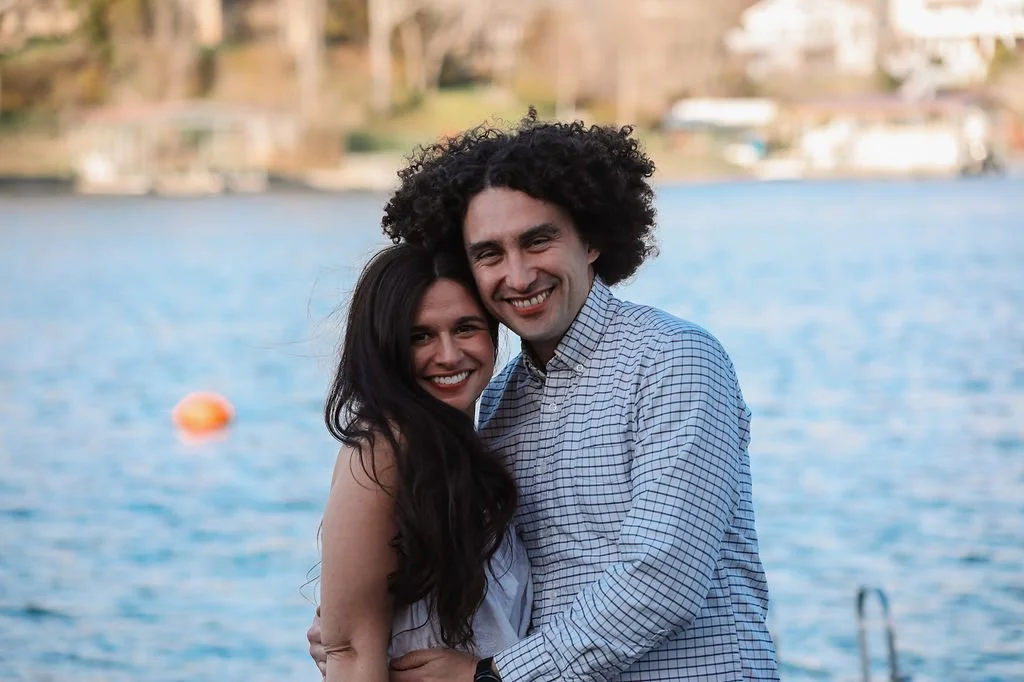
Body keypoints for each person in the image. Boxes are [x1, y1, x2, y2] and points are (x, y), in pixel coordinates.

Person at [309, 110, 779, 681]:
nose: (518, 275)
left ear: (592, 240)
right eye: (489, 253)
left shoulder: (673, 359)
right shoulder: (499, 400)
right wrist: (360, 626)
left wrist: (493, 675)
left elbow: (664, 576)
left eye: (538, 241)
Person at [315, 243, 532, 682]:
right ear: (384, 347)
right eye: (420, 336)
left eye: (466, 328)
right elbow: (351, 652)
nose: (449, 355)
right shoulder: (382, 450)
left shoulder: (473, 445)